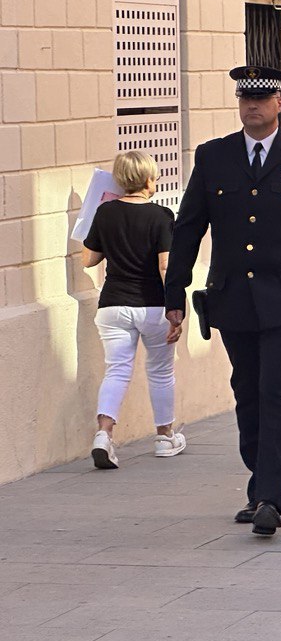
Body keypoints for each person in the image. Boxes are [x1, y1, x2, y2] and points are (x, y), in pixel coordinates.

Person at [165, 66, 281, 537]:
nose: (252, 106)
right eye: (245, 98)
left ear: (279, 103)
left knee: (274, 391)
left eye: (262, 99)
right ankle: (257, 480)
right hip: (233, 298)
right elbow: (188, 228)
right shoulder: (214, 156)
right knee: (246, 392)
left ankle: (269, 498)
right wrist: (174, 292)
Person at [81, 150, 184, 469]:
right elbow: (166, 266)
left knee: (117, 370)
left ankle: (103, 433)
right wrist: (175, 308)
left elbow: (89, 259)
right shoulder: (162, 216)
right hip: (151, 305)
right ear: (148, 179)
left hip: (112, 304)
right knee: (161, 371)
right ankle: (165, 437)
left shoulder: (104, 213)